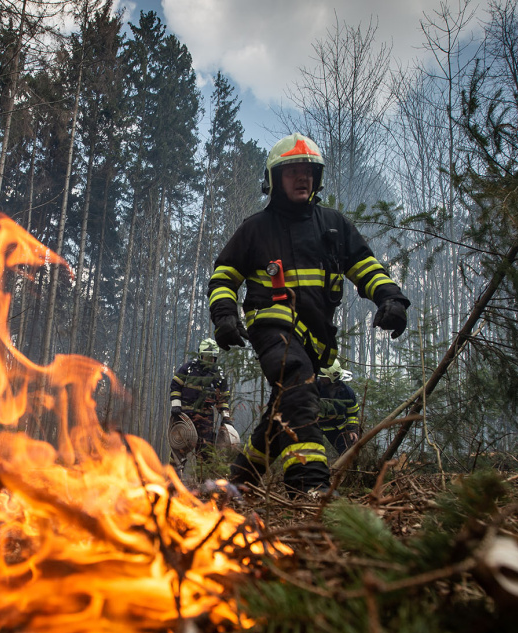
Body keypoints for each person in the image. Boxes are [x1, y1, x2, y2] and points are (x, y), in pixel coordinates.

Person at [207, 132, 409, 497]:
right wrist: (224, 315)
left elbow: (367, 268)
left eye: (308, 172)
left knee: (281, 416)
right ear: (273, 180)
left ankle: (235, 485)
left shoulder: (334, 226)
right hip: (271, 328)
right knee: (299, 388)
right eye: (292, 171)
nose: (302, 178)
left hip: (316, 340)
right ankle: (308, 490)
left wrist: (390, 299)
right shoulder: (255, 229)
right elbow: (223, 277)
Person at [169, 338, 234, 469]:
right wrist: (176, 405)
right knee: (180, 445)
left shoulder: (218, 375)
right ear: (200, 354)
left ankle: (204, 484)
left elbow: (223, 398)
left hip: (206, 418)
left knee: (206, 450)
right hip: (186, 415)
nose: (209, 360)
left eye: (212, 358)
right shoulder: (188, 369)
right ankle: (172, 479)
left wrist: (226, 417)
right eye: (207, 356)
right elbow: (175, 385)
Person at [317, 359, 360, 458]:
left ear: (333, 377)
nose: (321, 379)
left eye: (324, 378)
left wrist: (352, 430)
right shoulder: (314, 388)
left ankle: (352, 472)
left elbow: (352, 414)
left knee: (348, 455)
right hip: (316, 427)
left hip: (338, 428)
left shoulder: (347, 393)